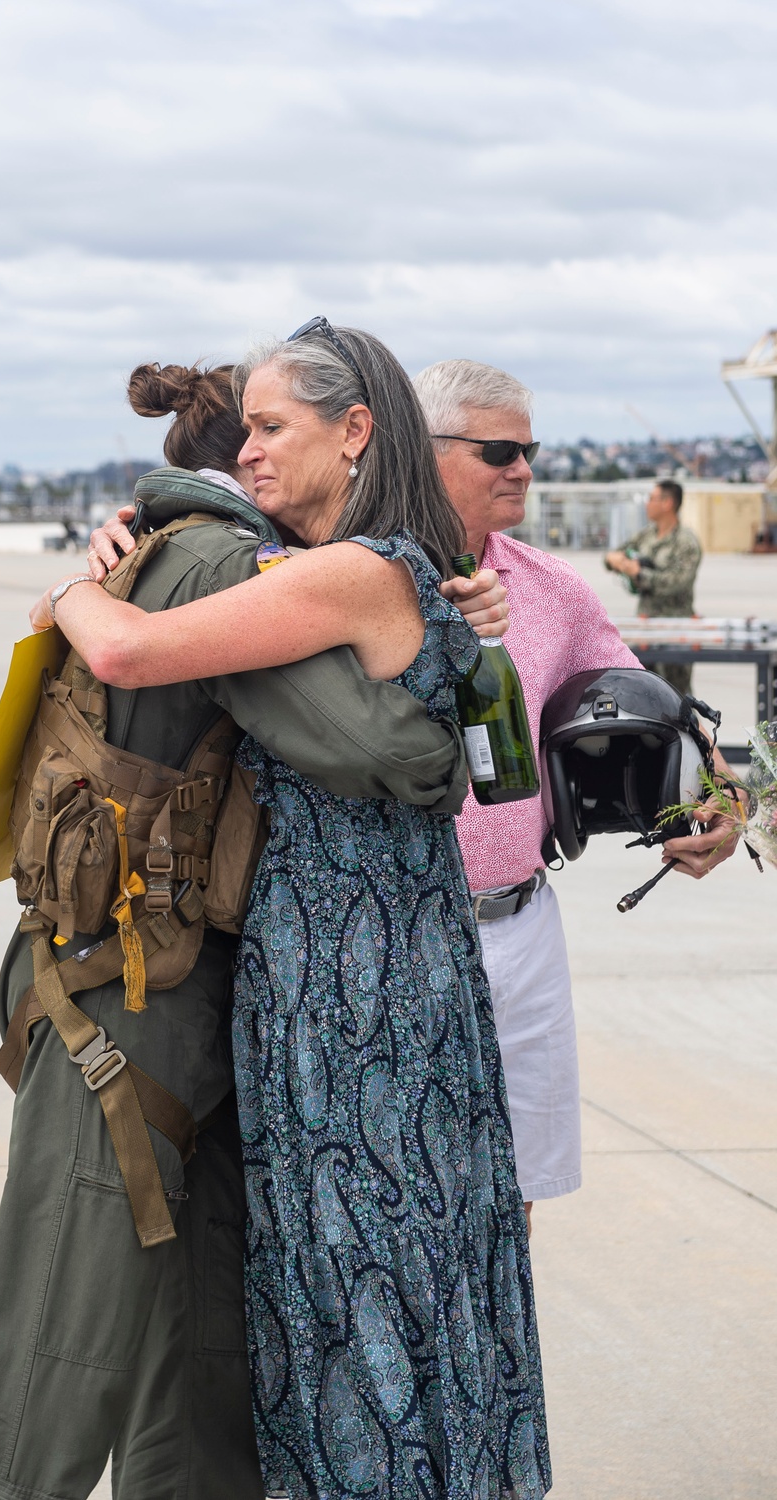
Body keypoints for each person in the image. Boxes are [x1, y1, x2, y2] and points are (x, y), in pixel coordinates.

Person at [0, 359, 516, 1500]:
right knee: (67, 1351)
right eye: (254, 431)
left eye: (270, 429)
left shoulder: (160, 546)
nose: (261, 452)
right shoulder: (211, 563)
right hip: (139, 1009)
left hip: (146, 991)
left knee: (177, 1358)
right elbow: (389, 753)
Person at [412, 362, 736, 1229]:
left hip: (522, 926)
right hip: (399, 935)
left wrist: (722, 806)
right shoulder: (344, 575)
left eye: (531, 449)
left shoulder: (554, 588)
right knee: (403, 1207)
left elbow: (660, 711)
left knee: (509, 1205)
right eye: (500, 450)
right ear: (423, 447)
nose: (524, 468)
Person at [604, 479, 703, 695]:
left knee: (678, 696)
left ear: (667, 503)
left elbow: (676, 583)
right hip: (646, 627)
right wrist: (616, 560)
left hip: (676, 628)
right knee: (645, 693)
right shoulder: (647, 535)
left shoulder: (686, 542)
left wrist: (638, 573)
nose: (648, 504)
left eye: (652, 499)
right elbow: (614, 555)